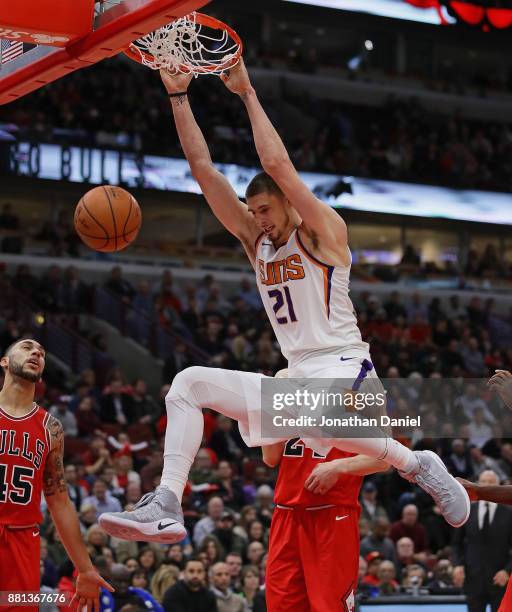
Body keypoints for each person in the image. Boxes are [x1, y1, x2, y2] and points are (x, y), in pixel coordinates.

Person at [99, 58, 469, 544]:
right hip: (298, 372)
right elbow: (202, 170)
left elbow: (277, 165)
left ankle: (416, 463)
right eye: (253, 212)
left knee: (311, 416)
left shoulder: (324, 233)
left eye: (266, 209)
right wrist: (178, 97)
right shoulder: (258, 244)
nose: (259, 220)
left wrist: (247, 93)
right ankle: (167, 501)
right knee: (187, 384)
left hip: (345, 364)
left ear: (290, 203)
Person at [0, 338, 113, 611]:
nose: (37, 352)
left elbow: (60, 502)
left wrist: (85, 569)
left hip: (22, 541)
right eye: (27, 347)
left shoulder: (51, 429)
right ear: (4, 361)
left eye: (42, 352)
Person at [455, 470, 512, 612]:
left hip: (500, 577)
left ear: (499, 485)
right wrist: (457, 565)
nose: (487, 485)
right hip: (473, 576)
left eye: (491, 482)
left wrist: (507, 570)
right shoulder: (466, 510)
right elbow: (456, 543)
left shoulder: (509, 513)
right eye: (484, 482)